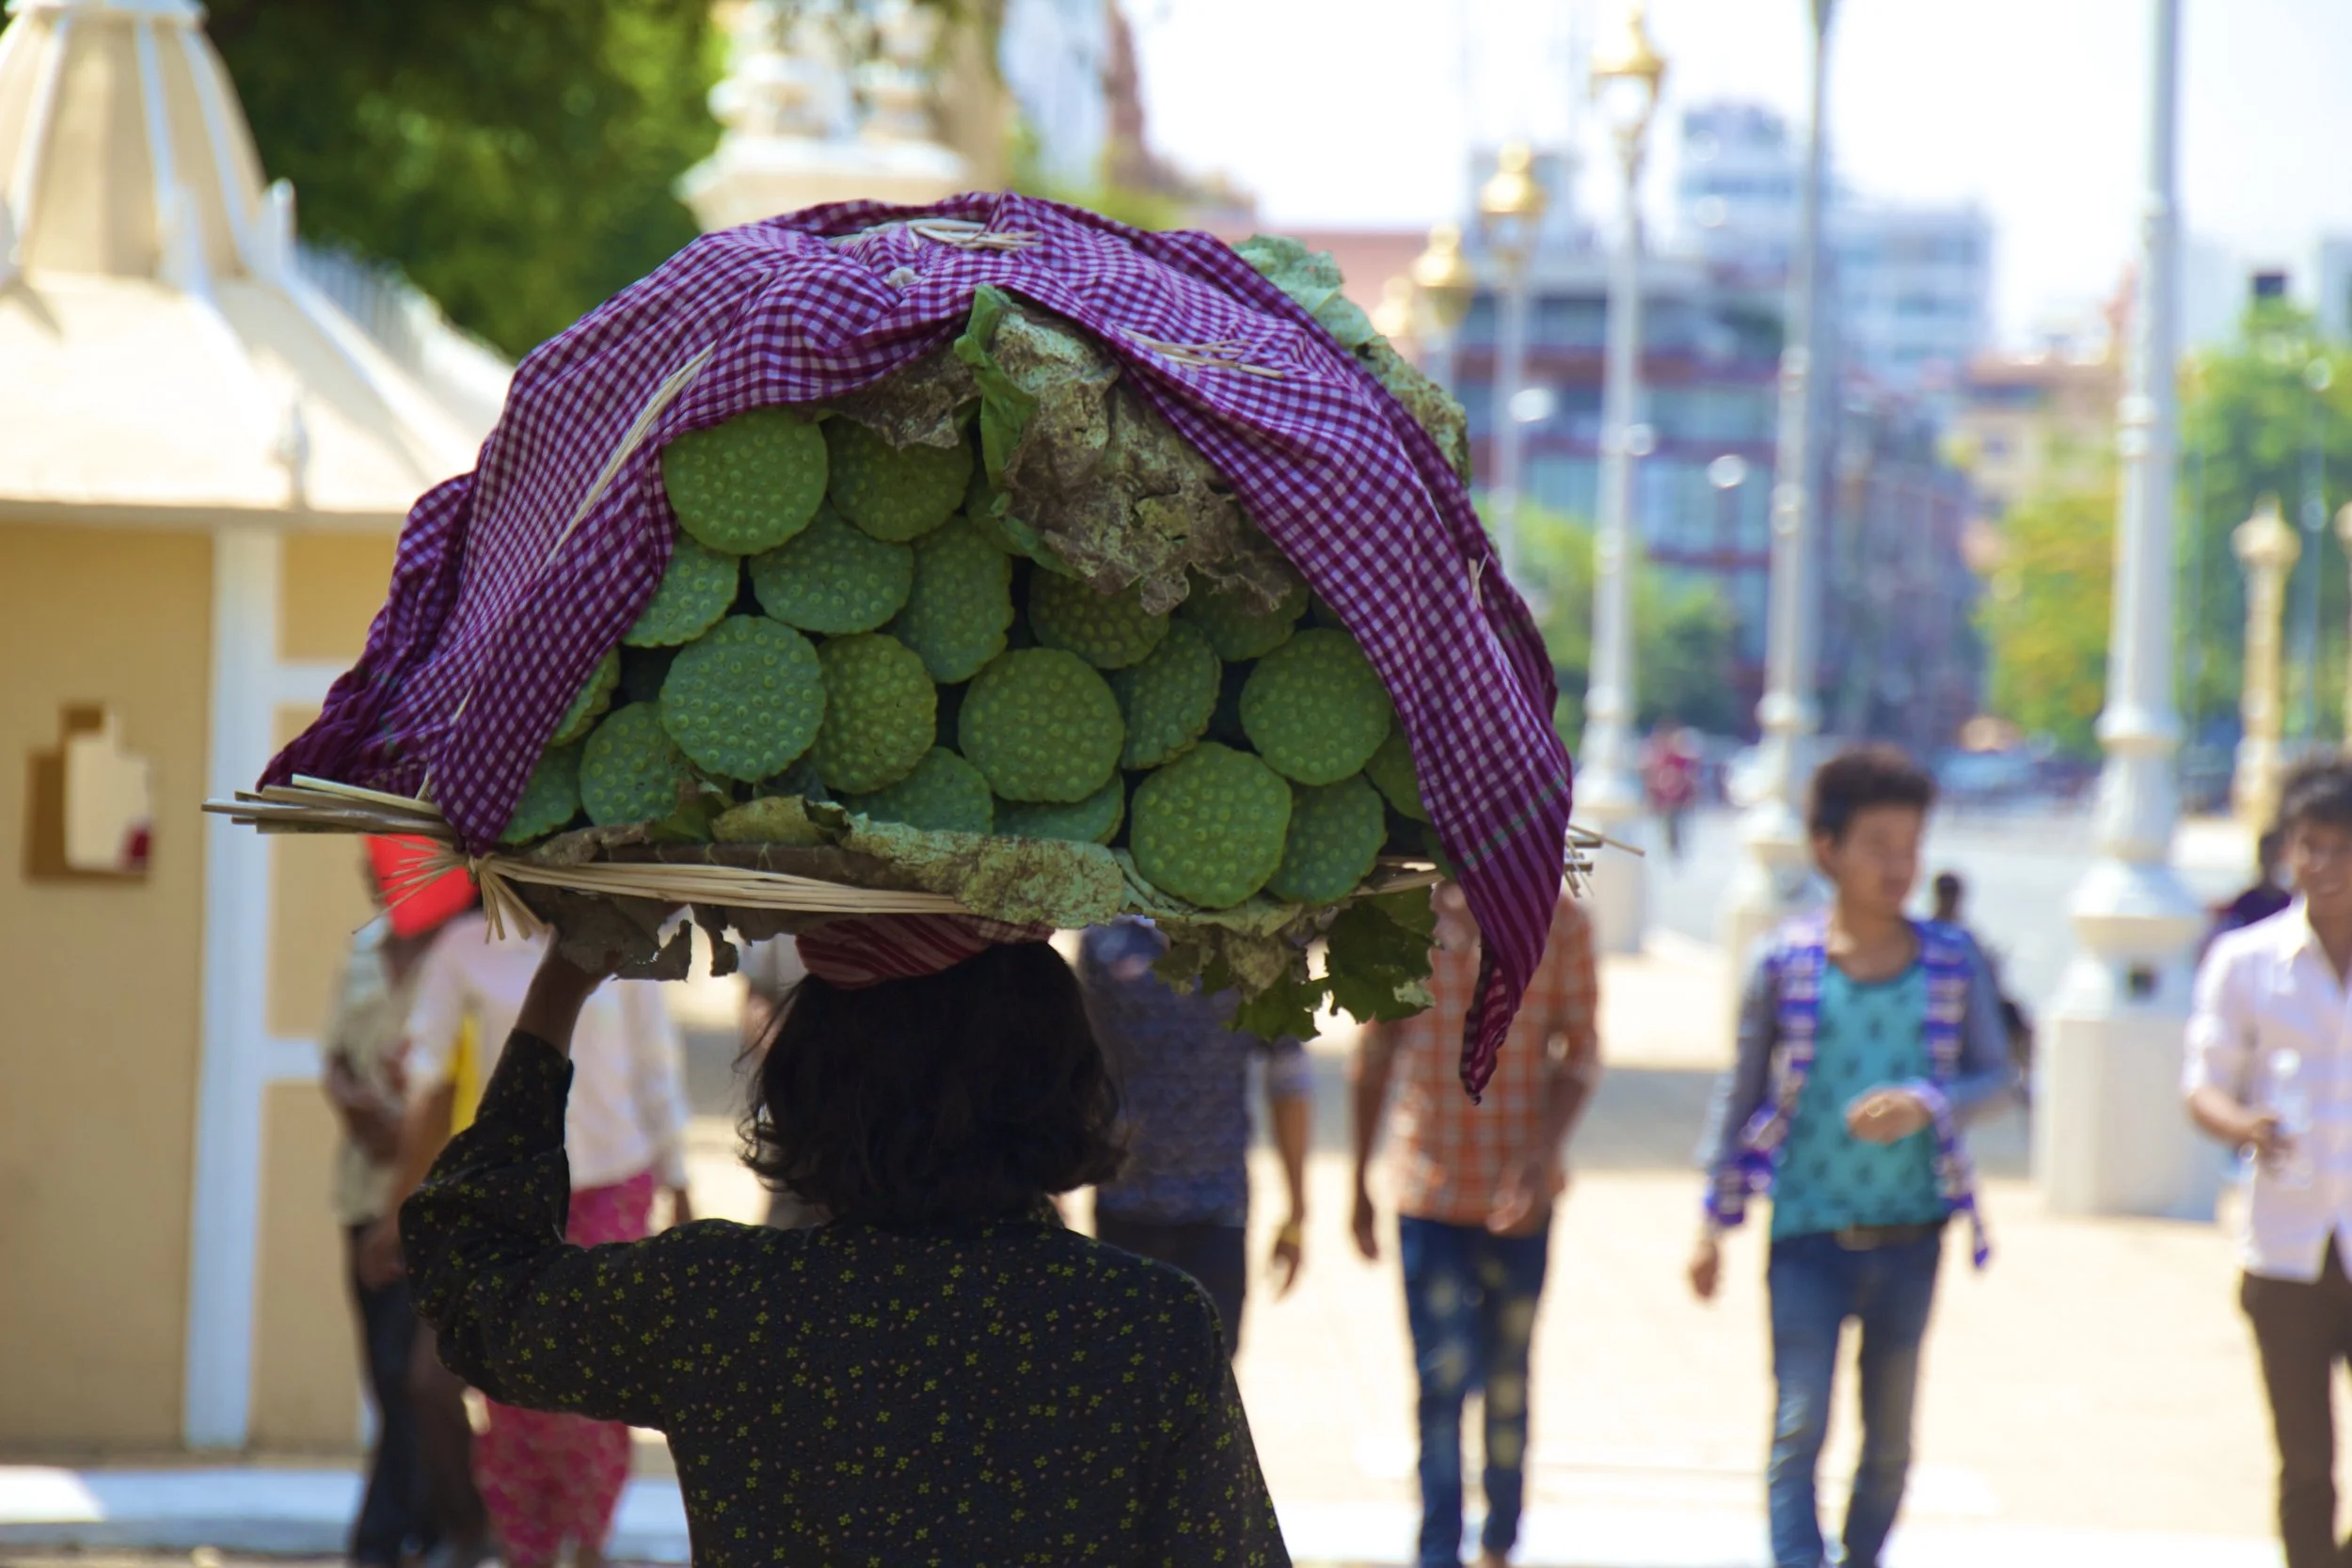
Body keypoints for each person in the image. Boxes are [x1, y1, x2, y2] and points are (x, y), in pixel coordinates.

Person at [401, 913, 1289, 1566]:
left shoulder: (725, 1305)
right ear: (1063, 1075)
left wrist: (560, 986)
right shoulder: (1149, 1328)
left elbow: (474, 1283)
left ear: (810, 1084)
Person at [1691, 746, 2015, 1568]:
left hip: (1912, 1236)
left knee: (1891, 1440)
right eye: (1878, 844)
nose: (1899, 865)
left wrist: (1926, 1104)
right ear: (1826, 849)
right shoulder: (1782, 963)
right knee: (1799, 1422)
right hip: (1805, 1232)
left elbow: (1998, 1075)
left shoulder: (1952, 959)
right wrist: (1709, 1218)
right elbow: (1740, 1091)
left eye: (1910, 845)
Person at [370, 909, 693, 1568]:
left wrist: (680, 1182)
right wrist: (399, 1184)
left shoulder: (625, 934)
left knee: (594, 1383)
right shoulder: (466, 948)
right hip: (513, 1193)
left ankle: (587, 1543)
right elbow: (427, 1068)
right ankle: (528, 1548)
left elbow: (655, 1067)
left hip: (613, 1184)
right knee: (514, 1386)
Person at [1350, 883, 1602, 1568]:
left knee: (1507, 1376)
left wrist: (1541, 1155)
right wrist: (1358, 1187)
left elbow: (1579, 1053)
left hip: (1518, 1199)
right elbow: (1374, 1052)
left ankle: (1499, 1538)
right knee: (1440, 1377)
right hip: (1428, 1191)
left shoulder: (1560, 921)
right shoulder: (1405, 915)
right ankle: (1437, 1548)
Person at [2185, 760, 2352, 1568]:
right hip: (2286, 1251)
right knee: (2306, 1468)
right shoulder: (2246, 962)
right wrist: (2242, 1122)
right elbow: (2203, 1084)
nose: (2320, 866)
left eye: (2339, 848)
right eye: (2307, 846)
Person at [323, 840, 478, 1568]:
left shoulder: (462, 951)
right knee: (385, 1375)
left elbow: (450, 1076)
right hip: (361, 1184)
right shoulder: (360, 955)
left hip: (428, 1195)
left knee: (412, 1369)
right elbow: (335, 1060)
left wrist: (408, 1132)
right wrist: (358, 1108)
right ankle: (424, 1524)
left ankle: (389, 1536)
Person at [1077, 916, 1312, 1356]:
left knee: (1211, 1390)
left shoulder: (1253, 935)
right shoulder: (1105, 937)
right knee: (1121, 1391)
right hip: (1122, 1205)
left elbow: (1289, 1075)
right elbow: (1080, 1066)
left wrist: (1299, 1211)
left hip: (1219, 1208)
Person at [1929, 870, 2035, 1095]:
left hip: (1972, 1007)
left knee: (2015, 1015)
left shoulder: (1960, 936)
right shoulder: (1946, 936)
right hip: (1951, 1010)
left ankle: (2023, 1078)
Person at [2204, 828, 2293, 958]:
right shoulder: (2247, 900)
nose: (2270, 863)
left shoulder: (2290, 903)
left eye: (2274, 857)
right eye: (2266, 856)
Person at [1642, 720, 1701, 862]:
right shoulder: (1659, 755)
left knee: (1676, 826)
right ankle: (1667, 851)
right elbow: (1651, 775)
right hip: (1663, 799)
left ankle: (1675, 851)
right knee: (1664, 827)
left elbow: (1689, 775)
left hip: (1677, 798)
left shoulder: (1678, 755)